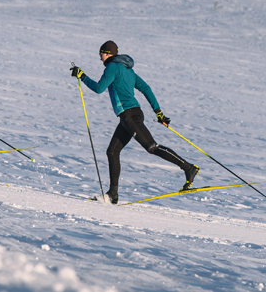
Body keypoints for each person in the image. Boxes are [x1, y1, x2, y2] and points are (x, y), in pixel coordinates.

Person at [70, 40, 199, 204]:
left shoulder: (112, 67)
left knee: (152, 147)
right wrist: (158, 112)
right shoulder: (127, 69)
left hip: (130, 116)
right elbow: (145, 88)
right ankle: (112, 195)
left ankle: (188, 168)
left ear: (107, 53)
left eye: (101, 54)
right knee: (112, 151)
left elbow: (98, 88)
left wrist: (82, 76)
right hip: (130, 116)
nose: (100, 58)